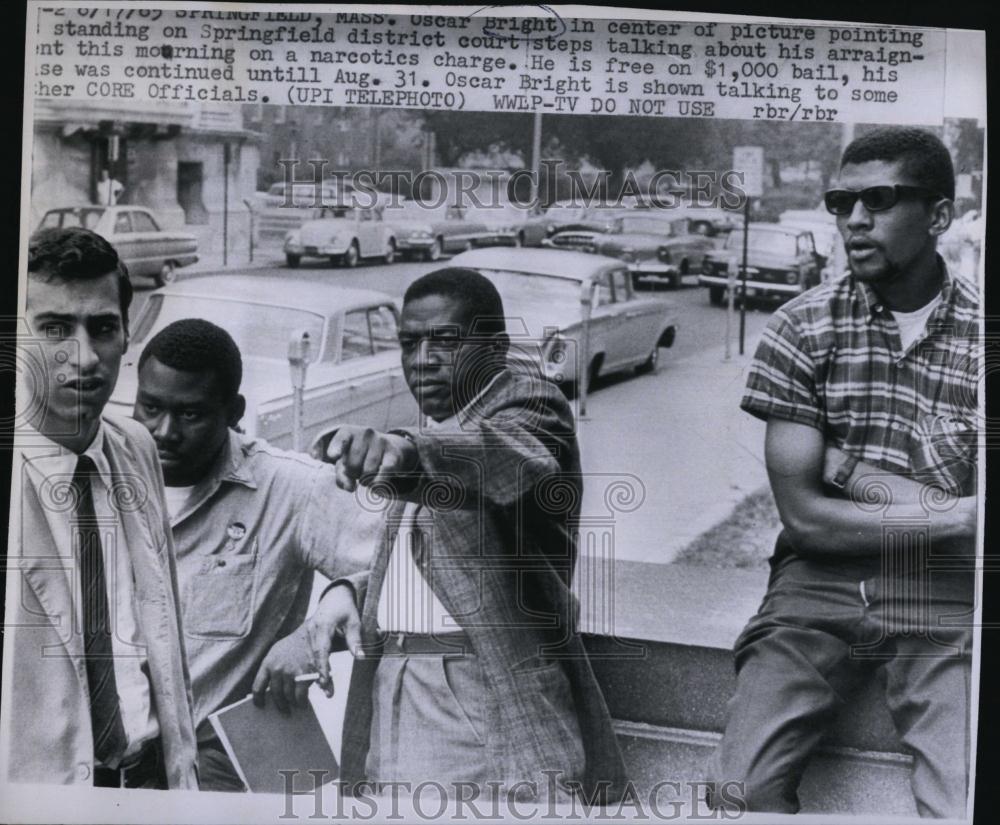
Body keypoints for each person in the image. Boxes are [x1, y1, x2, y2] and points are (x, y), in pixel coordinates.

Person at [707, 127, 979, 818]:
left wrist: (851, 468)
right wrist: (960, 511)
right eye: (841, 201)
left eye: (879, 200)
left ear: (939, 215)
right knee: (738, 789)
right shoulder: (802, 328)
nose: (854, 220)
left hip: (943, 589)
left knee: (964, 796)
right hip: (816, 586)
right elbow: (808, 519)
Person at [303, 268, 627, 803]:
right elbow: (435, 565)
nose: (422, 358)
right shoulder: (442, 420)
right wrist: (350, 590)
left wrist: (404, 450)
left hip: (478, 700)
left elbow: (502, 460)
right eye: (409, 342)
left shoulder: (532, 405)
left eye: (446, 341)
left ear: (495, 349)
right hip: (397, 690)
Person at [131, 319, 379, 792]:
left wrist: (321, 625)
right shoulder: (100, 480)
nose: (164, 432)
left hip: (222, 770)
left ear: (233, 411)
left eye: (190, 414)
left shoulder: (293, 489)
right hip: (100, 764)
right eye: (151, 407)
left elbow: (414, 568)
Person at [3, 227, 197, 789]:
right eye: (56, 329)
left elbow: (164, 631)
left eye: (103, 327)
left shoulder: (135, 446)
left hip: (149, 778)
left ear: (128, 334)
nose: (85, 357)